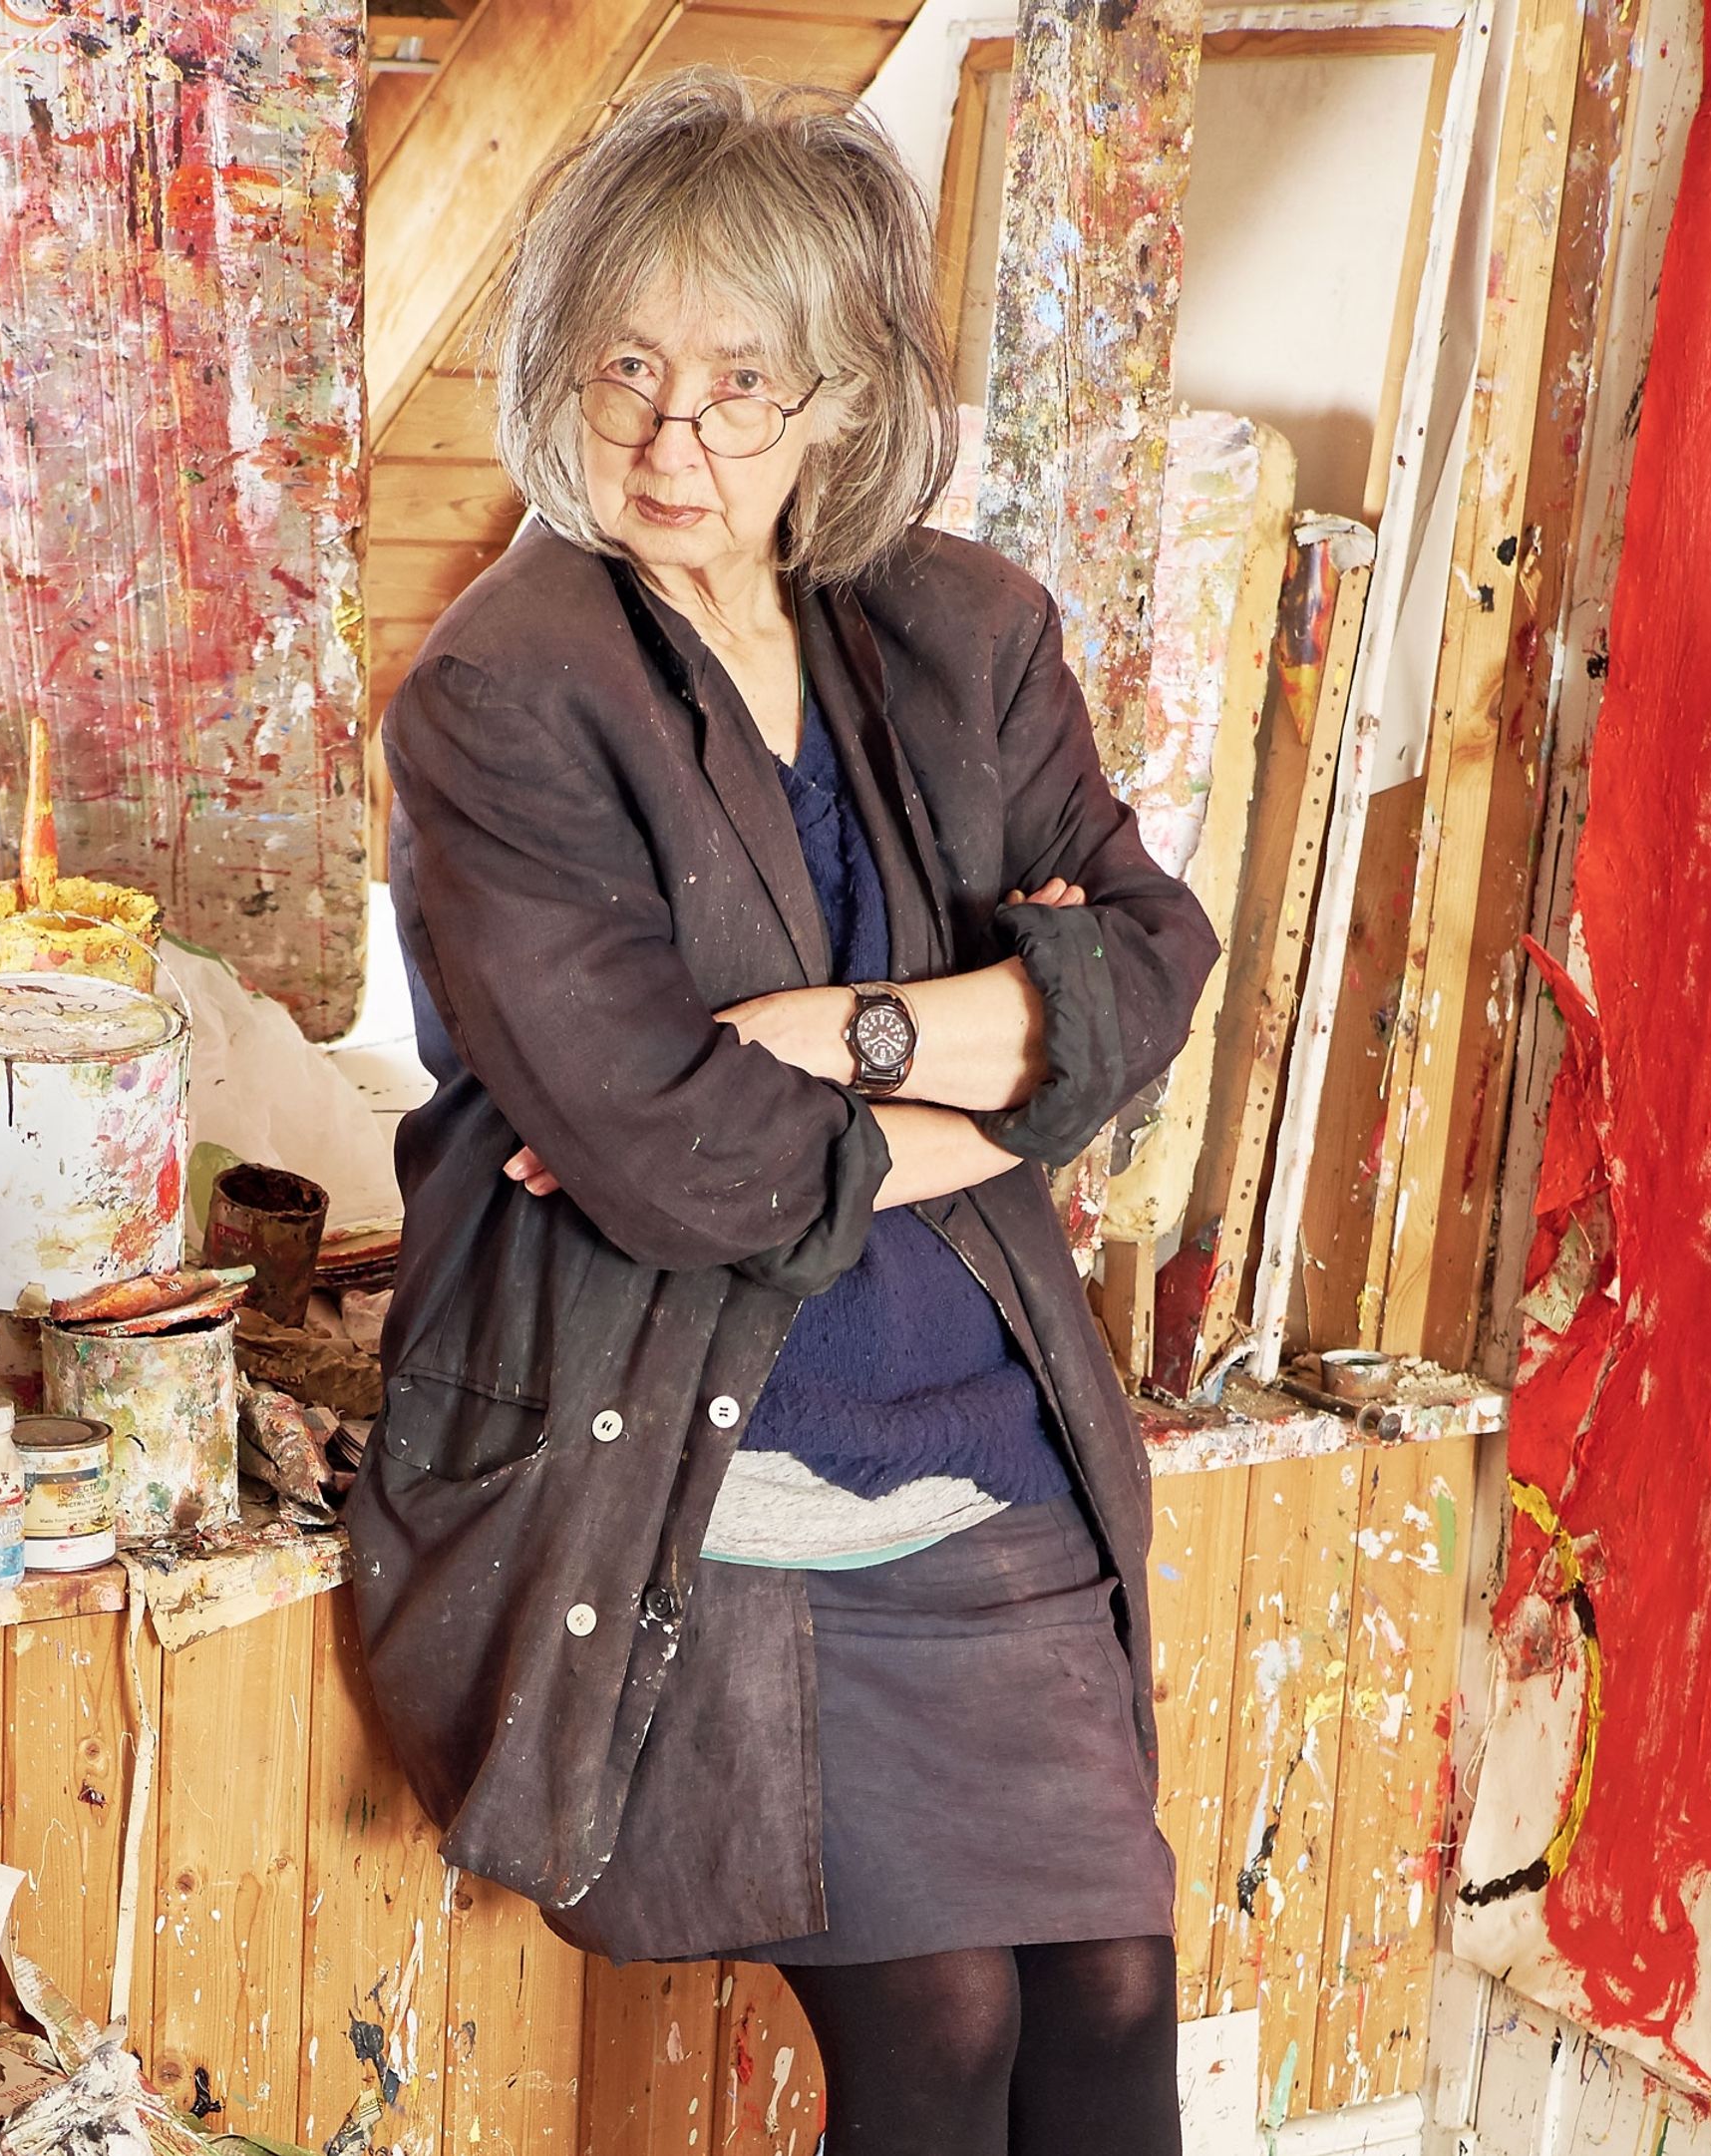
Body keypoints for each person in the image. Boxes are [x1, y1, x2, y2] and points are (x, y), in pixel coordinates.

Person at [343, 70, 1220, 2155]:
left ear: (840, 396)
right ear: (561, 370)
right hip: (709, 1466)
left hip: (995, 1453)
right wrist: (1006, 1066)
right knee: (934, 2029)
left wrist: (833, 1034)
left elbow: (1157, 970)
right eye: (629, 370)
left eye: (746, 382)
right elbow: (674, 1158)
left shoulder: (964, 630)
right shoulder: (508, 688)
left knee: (1106, 1999)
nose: (678, 439)